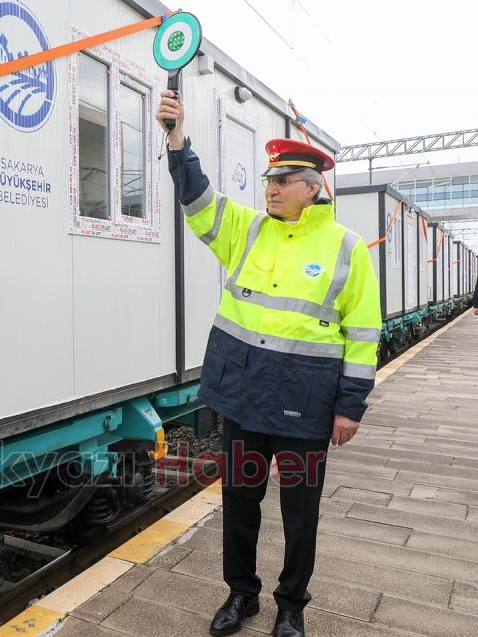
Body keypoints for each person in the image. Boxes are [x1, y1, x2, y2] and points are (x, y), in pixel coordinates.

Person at [156, 91, 381, 637]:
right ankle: (241, 595)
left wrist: (349, 409)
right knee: (240, 501)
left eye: (284, 181)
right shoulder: (248, 230)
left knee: (301, 514)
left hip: (305, 411)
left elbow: (363, 336)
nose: (272, 189)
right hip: (245, 403)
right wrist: (176, 139)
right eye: (269, 181)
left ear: (313, 187)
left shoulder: (347, 250)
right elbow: (198, 199)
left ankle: (291, 606)